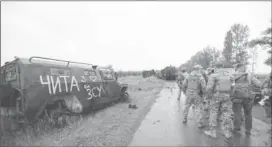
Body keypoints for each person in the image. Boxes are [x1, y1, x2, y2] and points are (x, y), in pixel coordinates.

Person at [204, 62, 235, 138]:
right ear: (222, 66)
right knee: (226, 113)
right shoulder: (229, 75)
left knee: (213, 113)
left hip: (216, 96)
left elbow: (209, 88)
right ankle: (227, 132)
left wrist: (208, 97)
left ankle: (212, 132)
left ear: (215, 67)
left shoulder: (213, 75)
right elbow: (233, 87)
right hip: (226, 96)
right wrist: (230, 95)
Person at [232, 63, 262, 136]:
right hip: (248, 97)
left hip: (237, 97)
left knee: (237, 113)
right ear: (243, 67)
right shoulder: (249, 75)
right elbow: (259, 84)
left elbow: (229, 86)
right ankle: (248, 130)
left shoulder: (233, 75)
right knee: (248, 114)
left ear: (237, 68)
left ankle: (237, 128)